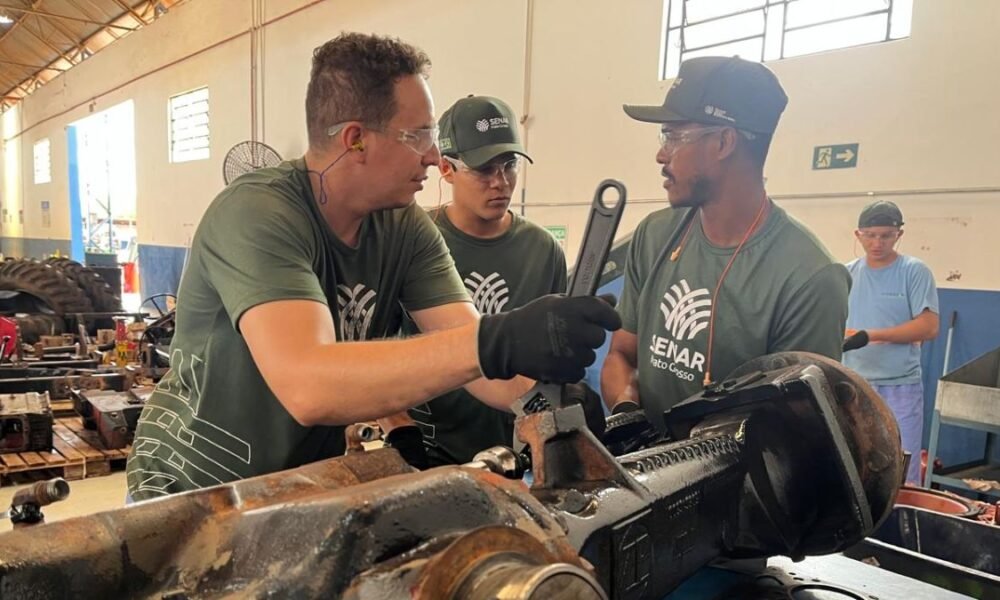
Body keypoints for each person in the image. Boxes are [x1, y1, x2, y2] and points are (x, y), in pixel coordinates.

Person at [125, 33, 619, 500]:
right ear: (356, 140)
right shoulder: (256, 213)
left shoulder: (404, 226)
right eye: (419, 135)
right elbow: (308, 385)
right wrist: (498, 340)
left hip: (292, 488)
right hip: (189, 489)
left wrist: (546, 399)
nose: (433, 156)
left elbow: (471, 355)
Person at [601, 56, 850, 434]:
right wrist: (628, 417)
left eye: (674, 136)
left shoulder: (810, 278)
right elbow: (622, 354)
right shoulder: (654, 235)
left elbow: (795, 429)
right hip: (643, 465)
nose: (661, 154)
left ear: (723, 142)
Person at [398, 95, 569, 466]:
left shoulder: (543, 251)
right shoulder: (411, 240)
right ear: (446, 168)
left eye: (509, 166)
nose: (500, 183)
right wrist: (399, 429)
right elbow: (376, 350)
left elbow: (550, 355)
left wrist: (558, 406)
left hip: (517, 454)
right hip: (431, 453)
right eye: (484, 169)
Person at [844, 200, 939, 484]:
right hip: (853, 387)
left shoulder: (914, 271)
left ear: (899, 234)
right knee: (853, 463)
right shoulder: (846, 274)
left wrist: (872, 335)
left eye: (886, 235)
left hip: (900, 387)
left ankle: (901, 511)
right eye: (870, 235)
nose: (877, 243)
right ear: (858, 234)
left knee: (901, 467)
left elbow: (929, 326)